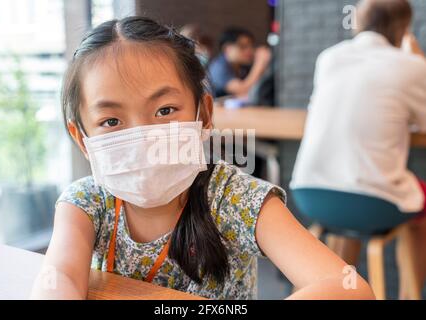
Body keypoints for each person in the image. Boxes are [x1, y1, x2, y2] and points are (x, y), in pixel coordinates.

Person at [30, 16, 373, 300]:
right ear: (82, 138)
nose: (144, 138)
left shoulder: (233, 197)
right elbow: (59, 276)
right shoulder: (86, 203)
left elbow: (349, 287)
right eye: (111, 121)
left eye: (164, 110)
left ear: (204, 114)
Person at [291, 0, 426, 296]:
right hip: (370, 202)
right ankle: (410, 295)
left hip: (310, 195)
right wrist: (418, 58)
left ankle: (338, 291)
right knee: (419, 209)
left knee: (349, 190)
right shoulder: (412, 66)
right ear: (404, 28)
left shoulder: (329, 58)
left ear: (359, 22)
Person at [208, 27, 272, 98]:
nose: (249, 51)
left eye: (251, 46)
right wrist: (260, 62)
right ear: (227, 49)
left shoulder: (242, 66)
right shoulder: (218, 67)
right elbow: (243, 90)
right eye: (243, 46)